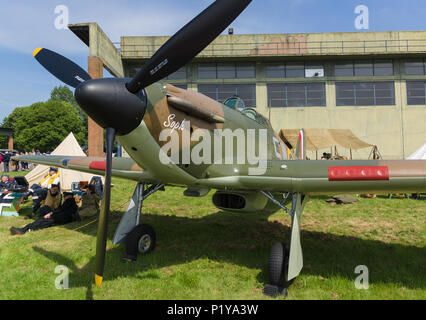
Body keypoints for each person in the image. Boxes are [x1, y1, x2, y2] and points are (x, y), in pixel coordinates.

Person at [10, 192, 80, 235]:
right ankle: (28, 229)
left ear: (69, 196)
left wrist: (50, 213)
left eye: (65, 196)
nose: (64, 198)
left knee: (43, 220)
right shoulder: (72, 202)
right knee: (44, 223)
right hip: (64, 218)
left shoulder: (69, 201)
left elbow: (61, 209)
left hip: (62, 217)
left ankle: (24, 230)